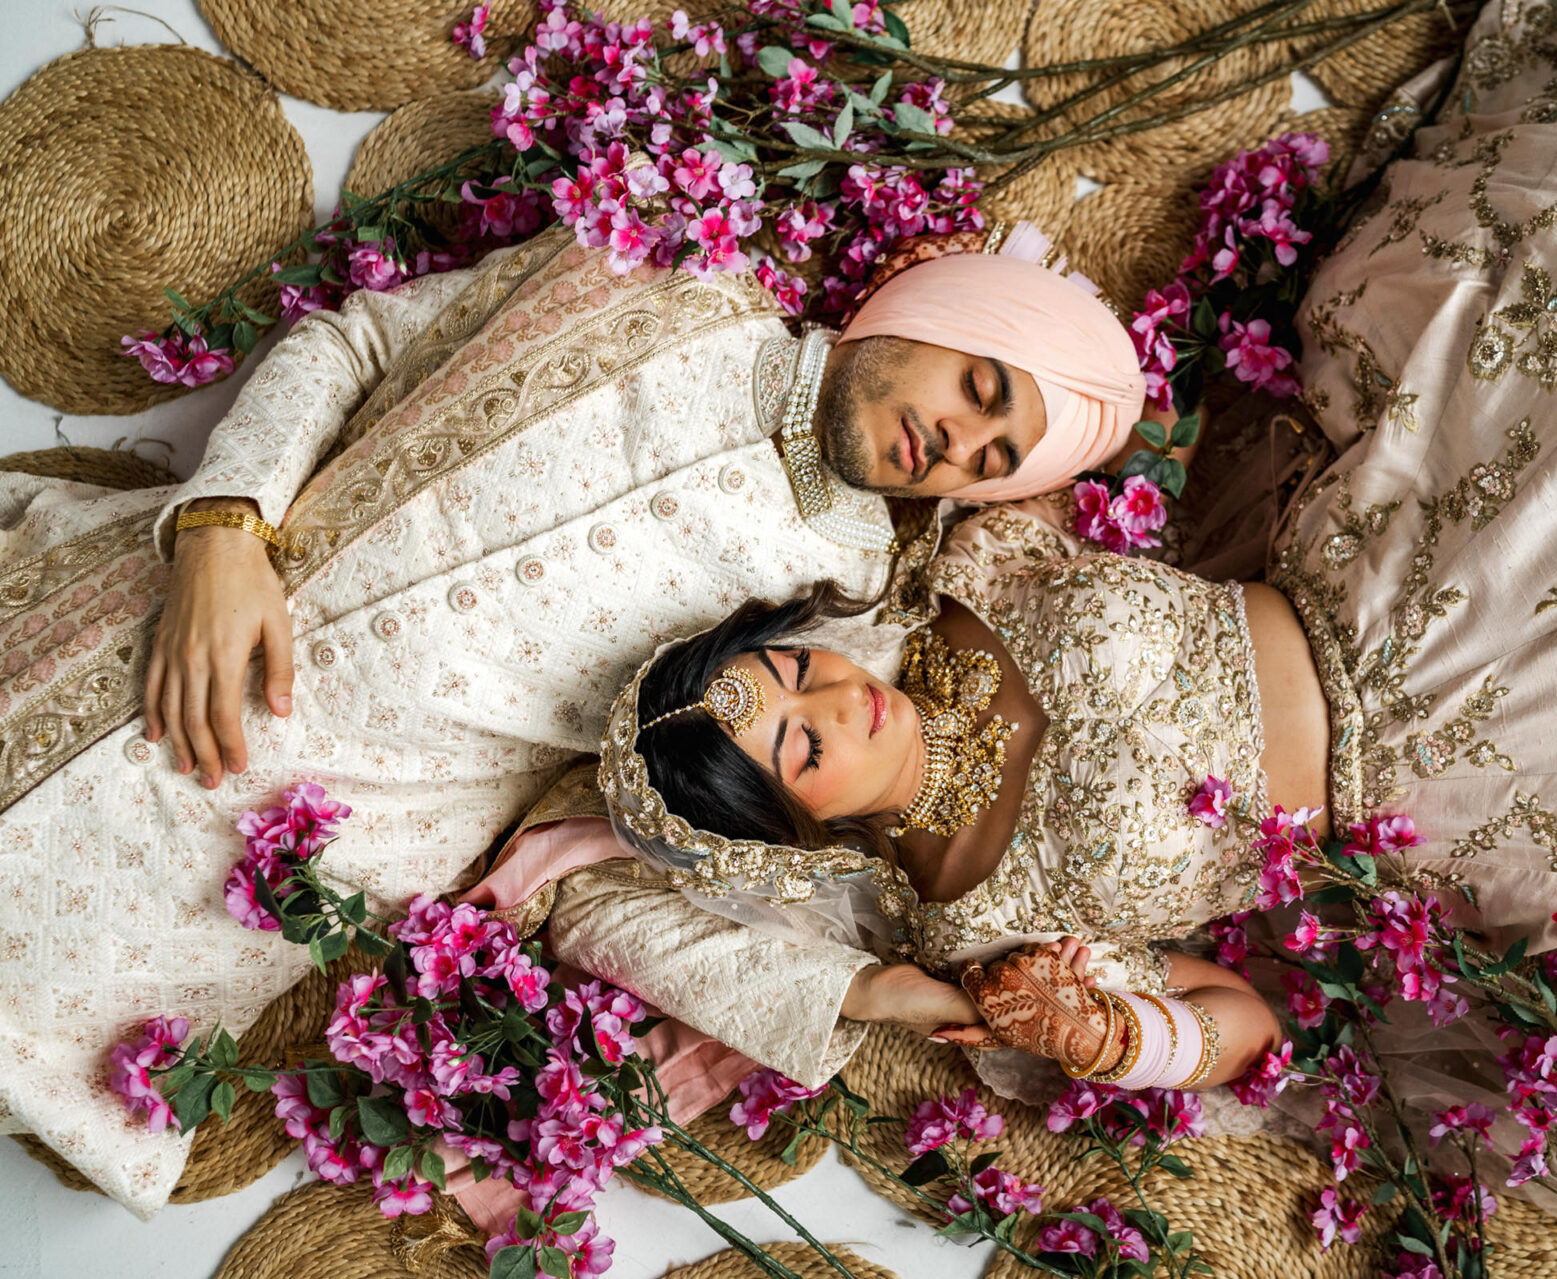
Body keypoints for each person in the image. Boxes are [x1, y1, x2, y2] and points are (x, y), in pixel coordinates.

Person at [530, 0, 1557, 1266]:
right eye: (794, 743)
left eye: (792, 669)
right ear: (805, 827)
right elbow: (1244, 1016)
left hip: (1385, 566)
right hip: (1460, 794)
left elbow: (1048, 410)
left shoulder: (965, 580)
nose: (832, 698)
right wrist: (1122, 1037)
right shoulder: (983, 919)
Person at [0, 219, 1150, 1214]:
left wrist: (857, 991)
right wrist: (224, 525)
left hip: (225, 850)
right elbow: (361, 337)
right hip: (116, 608)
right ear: (937, 306)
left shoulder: (846, 610)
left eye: (994, 459)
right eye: (979, 390)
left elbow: (713, 846)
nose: (957, 442)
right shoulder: (649, 275)